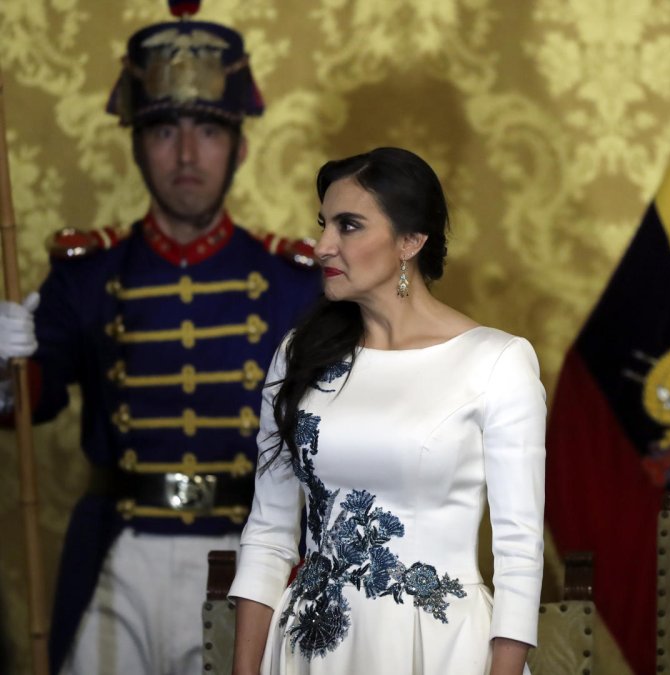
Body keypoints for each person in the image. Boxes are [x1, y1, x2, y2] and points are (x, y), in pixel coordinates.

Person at [0, 3, 322, 673]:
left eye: (207, 129)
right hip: (119, 549)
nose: (184, 154)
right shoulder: (84, 276)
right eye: (162, 129)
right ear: (135, 143)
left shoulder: (293, 283)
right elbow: (28, 403)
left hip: (251, 556)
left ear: (241, 144)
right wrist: (6, 362)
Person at [228, 147, 546, 675]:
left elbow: (519, 554)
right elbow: (266, 535)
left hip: (437, 649)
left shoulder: (498, 362)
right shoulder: (298, 355)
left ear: (410, 241)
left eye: (348, 226)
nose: (323, 245)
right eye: (323, 224)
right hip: (307, 647)